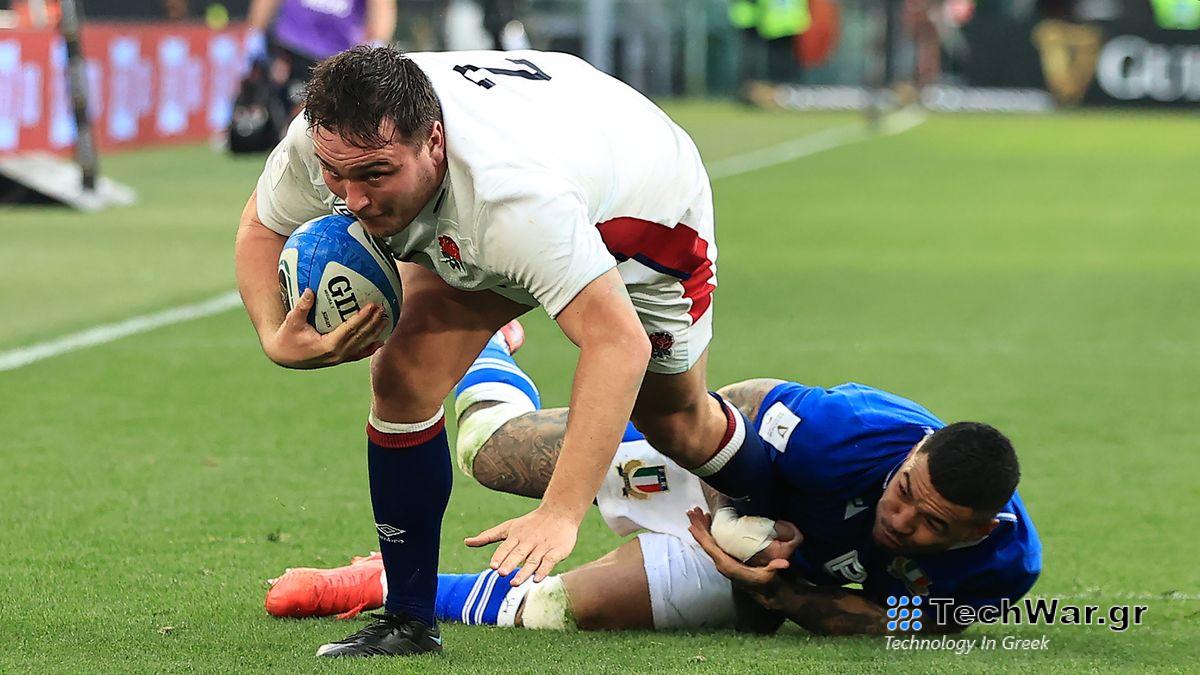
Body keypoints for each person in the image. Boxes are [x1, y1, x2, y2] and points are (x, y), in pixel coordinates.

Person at [235, 48, 774, 656]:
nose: (352, 199)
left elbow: (616, 342)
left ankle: (797, 493)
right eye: (338, 175)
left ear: (433, 140)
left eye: (376, 175)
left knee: (675, 424)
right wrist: (275, 336)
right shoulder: (324, 137)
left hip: (646, 210)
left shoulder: (513, 199)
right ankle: (408, 622)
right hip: (522, 172)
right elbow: (262, 225)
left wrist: (560, 512)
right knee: (403, 377)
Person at [265, 323, 1041, 635]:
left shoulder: (1002, 569)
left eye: (934, 524)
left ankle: (375, 584)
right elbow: (730, 405)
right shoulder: (855, 436)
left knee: (563, 609)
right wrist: (724, 498)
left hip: (755, 574)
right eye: (905, 491)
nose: (904, 519)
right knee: (486, 450)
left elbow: (889, 622)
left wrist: (780, 589)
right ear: (914, 454)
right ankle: (488, 341)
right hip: (708, 471)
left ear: (979, 529)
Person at [245, 0, 398, 112]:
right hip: (290, 45)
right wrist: (256, 30)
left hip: (336, 56)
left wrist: (377, 42)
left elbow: (382, 8)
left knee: (320, 111)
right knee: (276, 102)